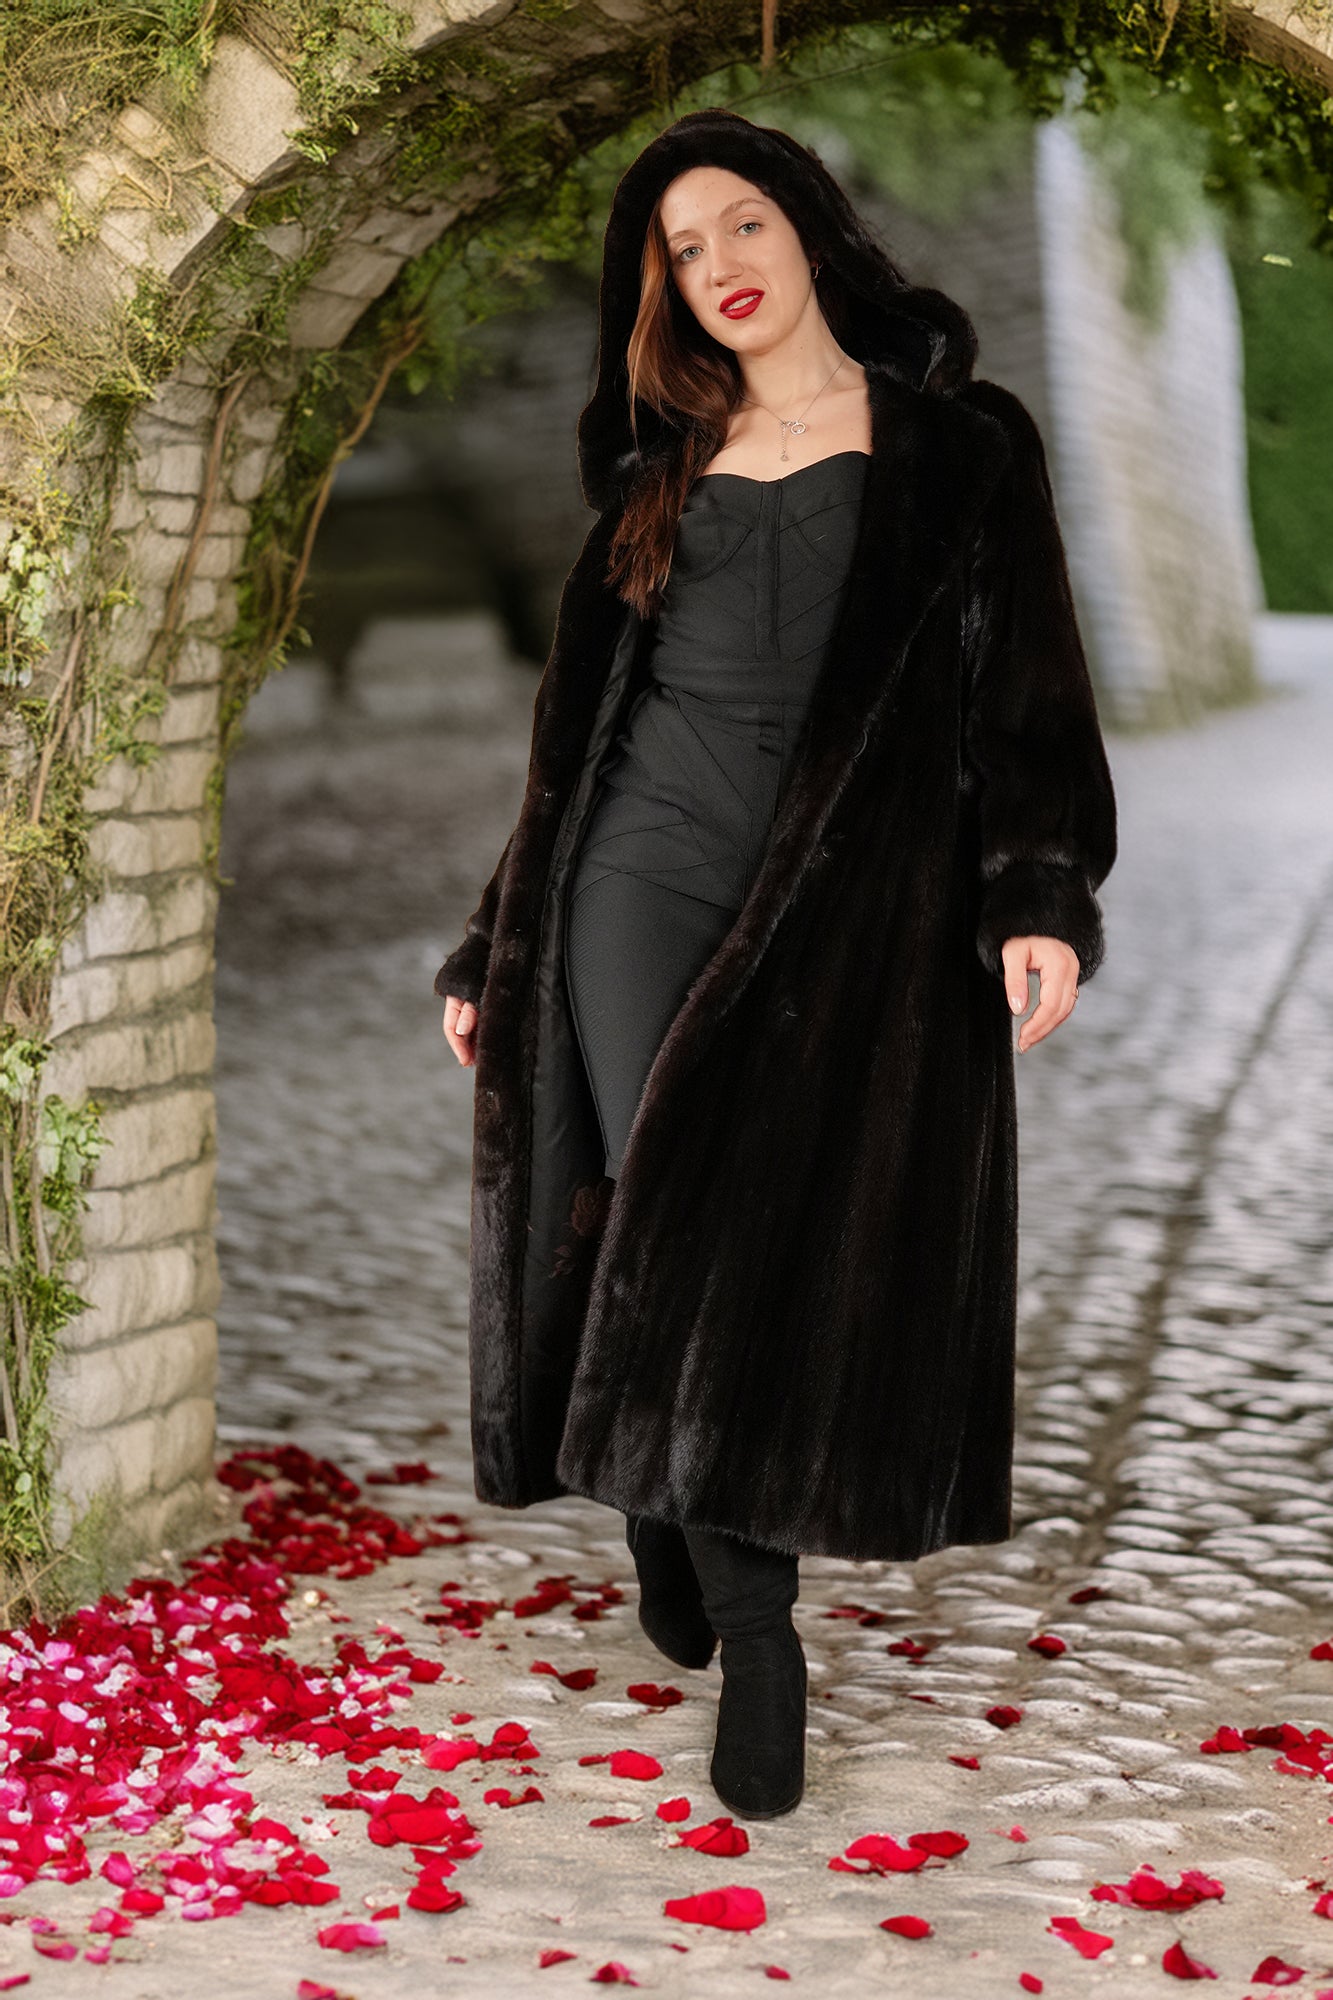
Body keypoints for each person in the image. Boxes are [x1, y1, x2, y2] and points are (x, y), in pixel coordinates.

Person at [435, 108, 1118, 1820]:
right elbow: (580, 740)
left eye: (742, 225)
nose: (719, 266)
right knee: (634, 1200)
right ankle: (755, 1627)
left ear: (809, 232)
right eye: (682, 247)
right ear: (658, 285)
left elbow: (1023, 696)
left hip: (839, 905)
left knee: (729, 1226)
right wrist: (490, 936)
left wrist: (1034, 890)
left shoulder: (960, 450)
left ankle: (667, 1498)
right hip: (630, 879)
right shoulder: (654, 473)